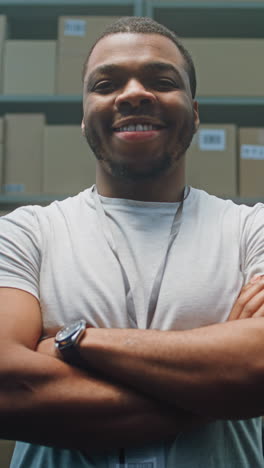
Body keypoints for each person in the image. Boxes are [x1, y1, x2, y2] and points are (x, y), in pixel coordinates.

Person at [0, 16, 264, 468]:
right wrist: (219, 386)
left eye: (162, 80)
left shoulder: (250, 229)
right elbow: (9, 389)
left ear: (194, 112)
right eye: (106, 84)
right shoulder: (24, 233)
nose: (134, 93)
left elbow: (258, 367)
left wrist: (77, 342)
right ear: (84, 119)